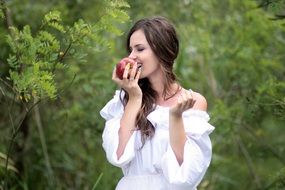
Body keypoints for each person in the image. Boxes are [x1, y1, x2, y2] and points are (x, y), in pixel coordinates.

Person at [100, 16, 215, 190]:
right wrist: (134, 98)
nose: (132, 57)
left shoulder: (193, 102)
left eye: (139, 49)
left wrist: (176, 117)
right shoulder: (124, 100)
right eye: (130, 50)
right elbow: (118, 155)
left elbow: (184, 173)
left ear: (161, 50)